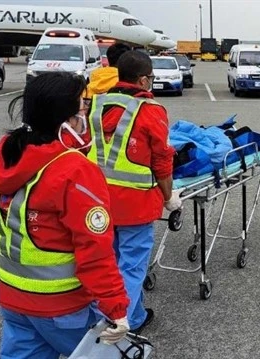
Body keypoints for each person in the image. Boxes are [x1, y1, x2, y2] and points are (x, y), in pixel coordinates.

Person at [0, 72, 131, 359]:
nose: (86, 116)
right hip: (61, 306)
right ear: (66, 120)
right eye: (82, 108)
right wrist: (116, 309)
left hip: (14, 298)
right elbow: (95, 250)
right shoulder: (74, 170)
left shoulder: (9, 153)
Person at [87, 50, 180, 333]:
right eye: (151, 78)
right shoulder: (149, 111)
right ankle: (120, 321)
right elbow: (162, 161)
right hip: (135, 203)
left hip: (97, 199)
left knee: (109, 262)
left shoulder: (97, 105)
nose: (151, 83)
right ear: (142, 80)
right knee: (132, 266)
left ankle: (134, 316)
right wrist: (169, 197)